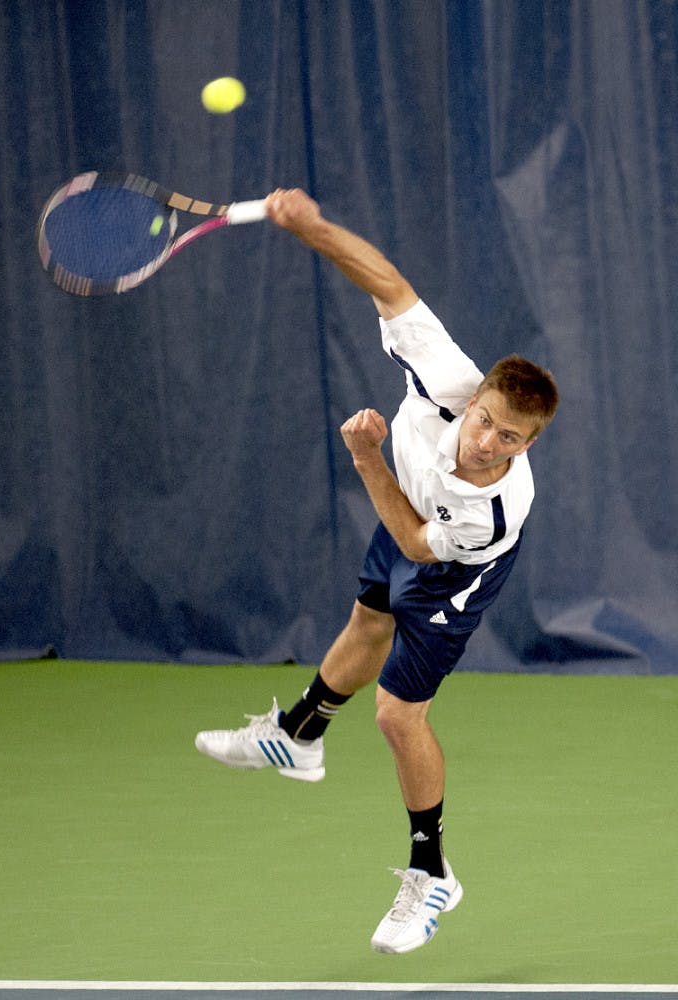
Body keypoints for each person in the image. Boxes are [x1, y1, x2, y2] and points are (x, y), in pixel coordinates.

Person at [194, 188, 559, 955]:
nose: (488, 440)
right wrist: (311, 227)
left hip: (451, 565)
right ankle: (300, 735)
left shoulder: (490, 509)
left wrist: (365, 458)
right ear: (478, 396)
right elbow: (388, 283)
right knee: (367, 618)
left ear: (526, 447)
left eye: (511, 439)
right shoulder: (448, 376)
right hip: (411, 507)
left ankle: (433, 874)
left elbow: (420, 546)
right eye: (487, 418)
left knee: (399, 714)